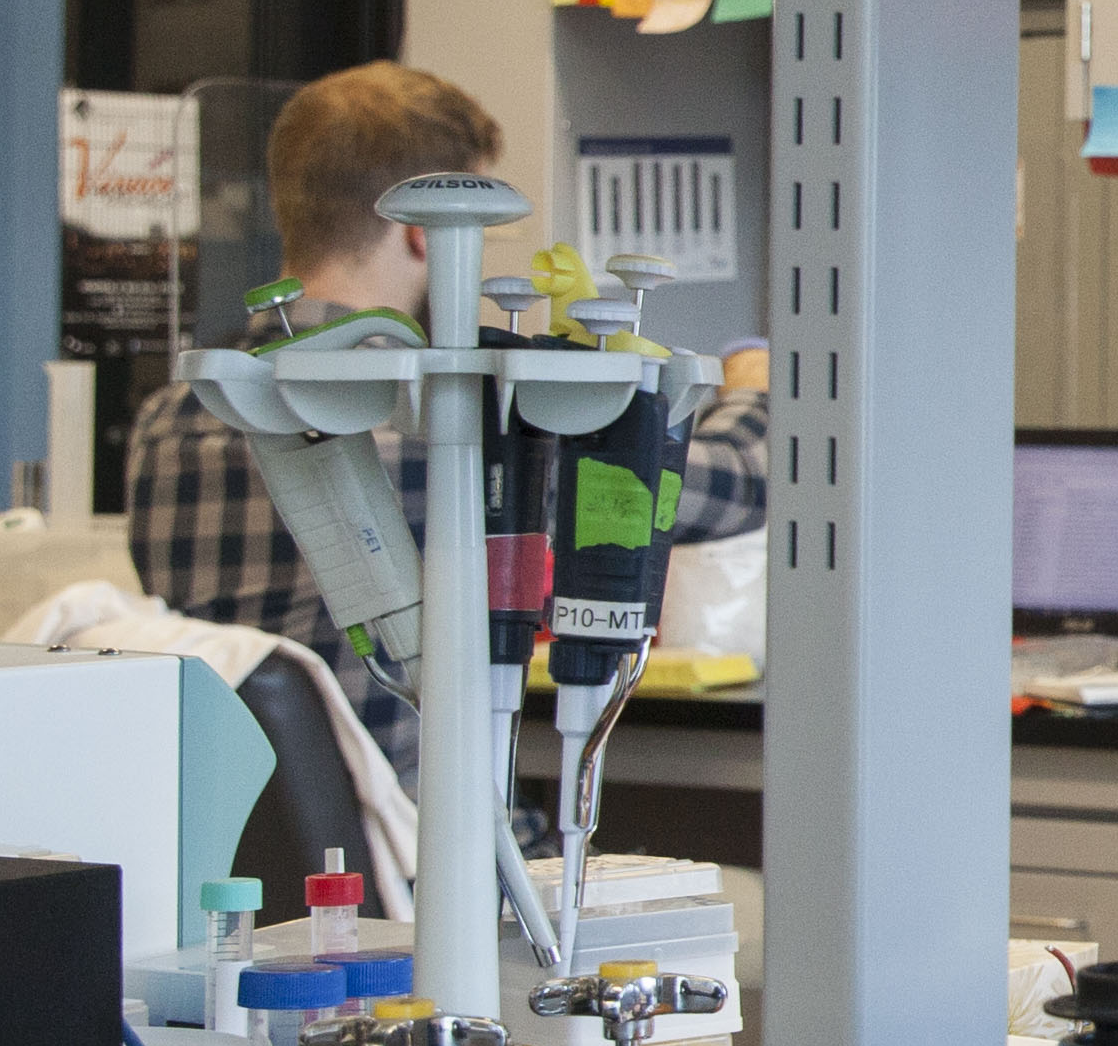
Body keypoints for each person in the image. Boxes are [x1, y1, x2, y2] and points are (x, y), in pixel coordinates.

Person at [123, 62, 767, 773]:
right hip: (417, 824)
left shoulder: (166, 420)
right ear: (423, 231)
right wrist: (752, 382)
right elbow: (734, 484)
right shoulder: (436, 423)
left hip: (229, 825)